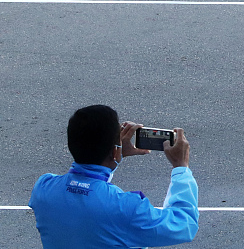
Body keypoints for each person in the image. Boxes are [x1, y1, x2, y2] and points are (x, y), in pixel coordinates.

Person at [29, 105, 197, 248]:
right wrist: (180, 167)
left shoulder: (43, 188)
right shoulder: (127, 208)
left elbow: (89, 192)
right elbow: (185, 225)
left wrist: (115, 155)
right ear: (115, 150)